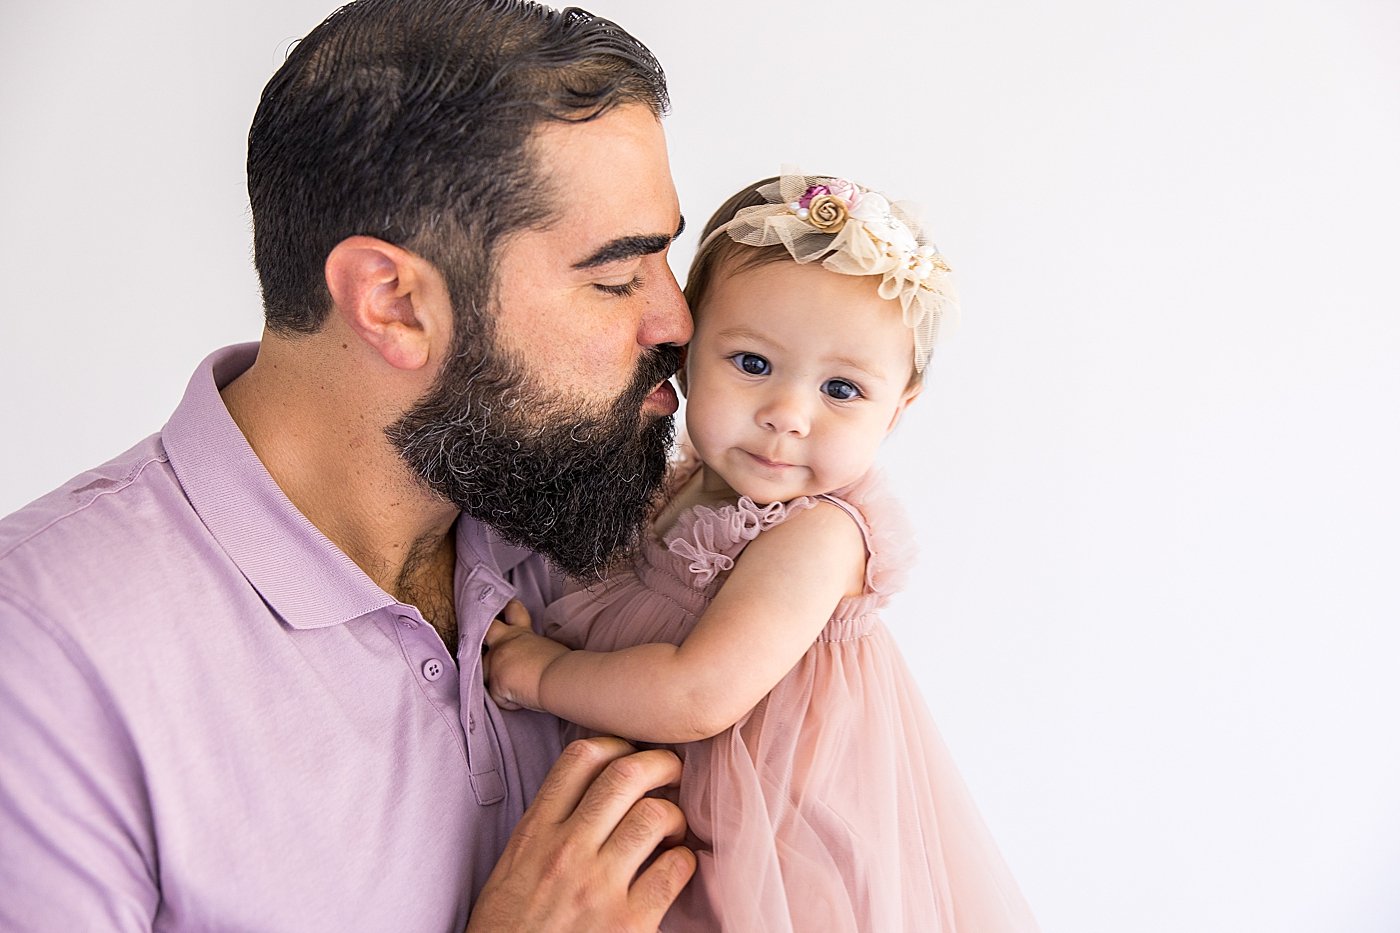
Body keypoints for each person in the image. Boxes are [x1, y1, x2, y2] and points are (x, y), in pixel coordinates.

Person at [0, 2, 701, 930]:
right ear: (393, 302)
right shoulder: (42, 653)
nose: (677, 321)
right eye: (616, 277)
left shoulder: (601, 527)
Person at [483, 171, 1041, 931]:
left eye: (842, 389)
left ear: (898, 409)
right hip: (652, 825)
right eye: (751, 364)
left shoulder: (819, 535)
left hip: (760, 852)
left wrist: (539, 671)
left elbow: (696, 693)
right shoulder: (673, 489)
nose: (787, 415)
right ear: (686, 355)